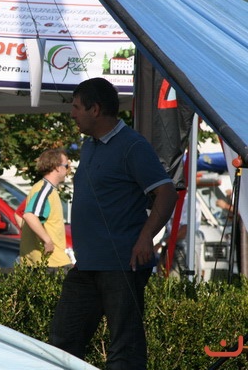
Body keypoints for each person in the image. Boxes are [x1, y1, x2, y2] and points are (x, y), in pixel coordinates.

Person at [49, 78, 177, 369]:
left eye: (77, 107)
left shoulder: (133, 146)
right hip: (88, 264)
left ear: (95, 109)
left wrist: (146, 237)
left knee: (125, 349)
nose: (72, 114)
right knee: (63, 342)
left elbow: (166, 192)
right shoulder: (90, 145)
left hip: (121, 264)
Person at [18, 149, 72, 273]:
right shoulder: (45, 190)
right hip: (51, 261)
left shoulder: (41, 188)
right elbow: (29, 215)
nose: (67, 170)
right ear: (57, 167)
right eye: (66, 166)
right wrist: (47, 240)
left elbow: (18, 214)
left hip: (40, 261)